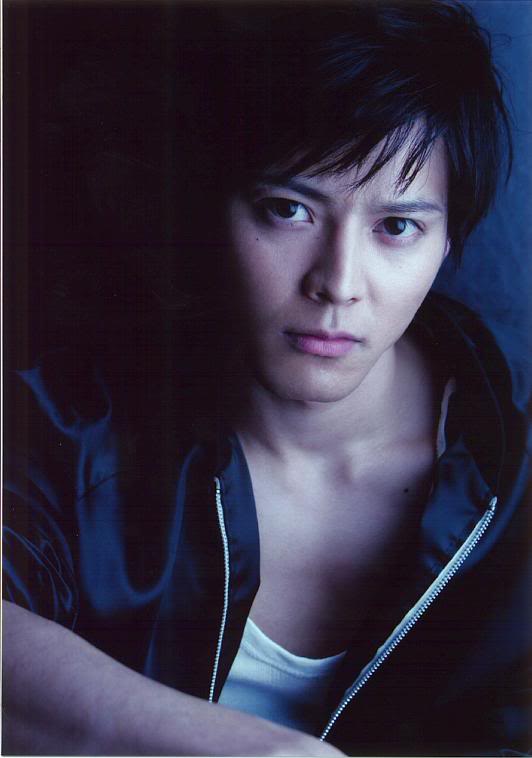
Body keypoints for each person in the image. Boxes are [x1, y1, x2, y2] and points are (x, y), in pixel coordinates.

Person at [3, 1, 530, 755]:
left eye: (397, 227)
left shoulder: (513, 471)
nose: (338, 283)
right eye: (288, 209)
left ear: (449, 241)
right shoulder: (78, 416)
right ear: (209, 207)